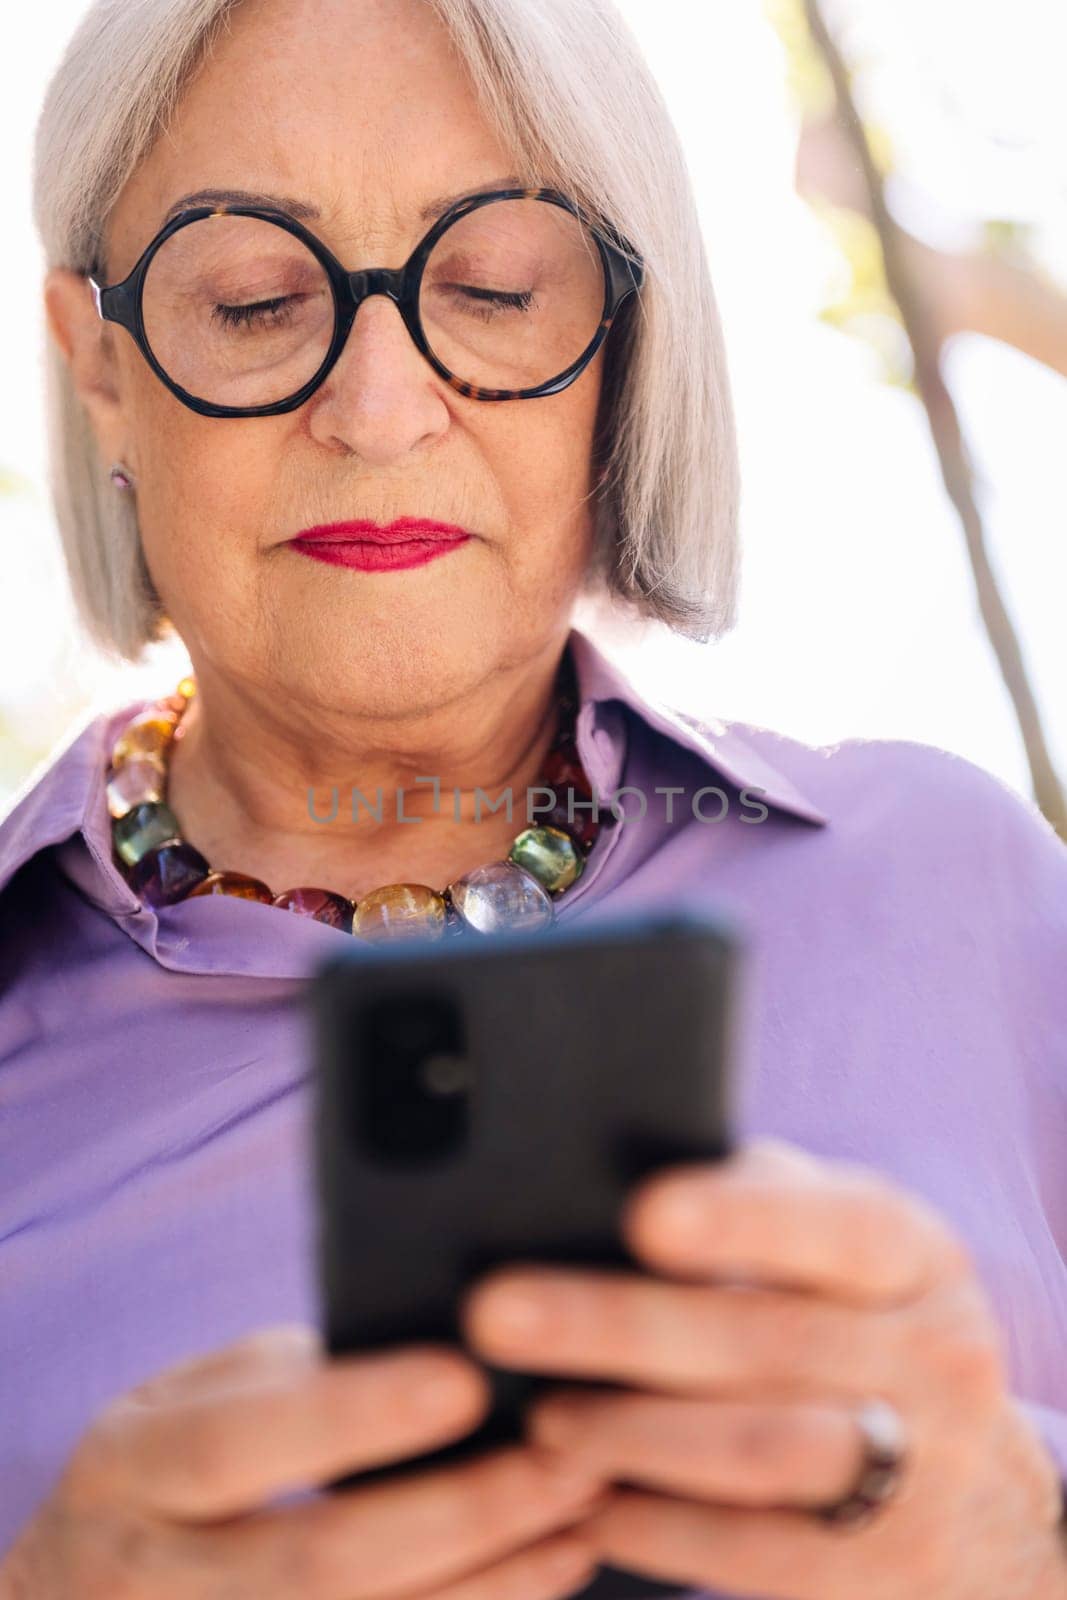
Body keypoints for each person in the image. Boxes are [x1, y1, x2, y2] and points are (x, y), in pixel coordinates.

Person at [2, 0, 1066, 1595]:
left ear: (619, 353)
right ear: (100, 365)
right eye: (251, 300)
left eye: (492, 288)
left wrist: (1025, 1533)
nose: (376, 407)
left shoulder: (967, 886)